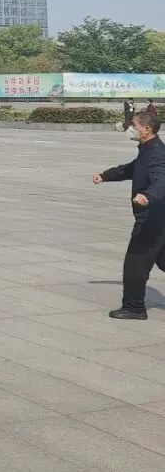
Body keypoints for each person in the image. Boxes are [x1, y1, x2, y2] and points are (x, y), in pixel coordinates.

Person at [93, 107, 165, 318]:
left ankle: (134, 308)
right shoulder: (148, 149)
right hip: (159, 217)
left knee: (136, 263)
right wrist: (105, 175)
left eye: (134, 125)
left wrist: (147, 196)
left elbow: (162, 182)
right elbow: (131, 169)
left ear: (147, 130)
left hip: (153, 218)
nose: (130, 128)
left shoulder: (157, 154)